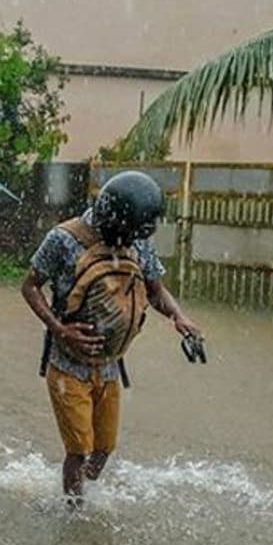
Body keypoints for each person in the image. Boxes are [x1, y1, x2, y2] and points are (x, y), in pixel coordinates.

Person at [21, 171, 202, 502]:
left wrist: (179, 316)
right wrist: (60, 329)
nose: (127, 243)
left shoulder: (137, 240)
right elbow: (30, 286)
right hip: (68, 365)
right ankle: (73, 510)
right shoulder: (63, 239)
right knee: (79, 450)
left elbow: (154, 289)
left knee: (104, 448)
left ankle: (81, 492)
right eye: (125, 235)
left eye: (133, 237)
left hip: (109, 365)